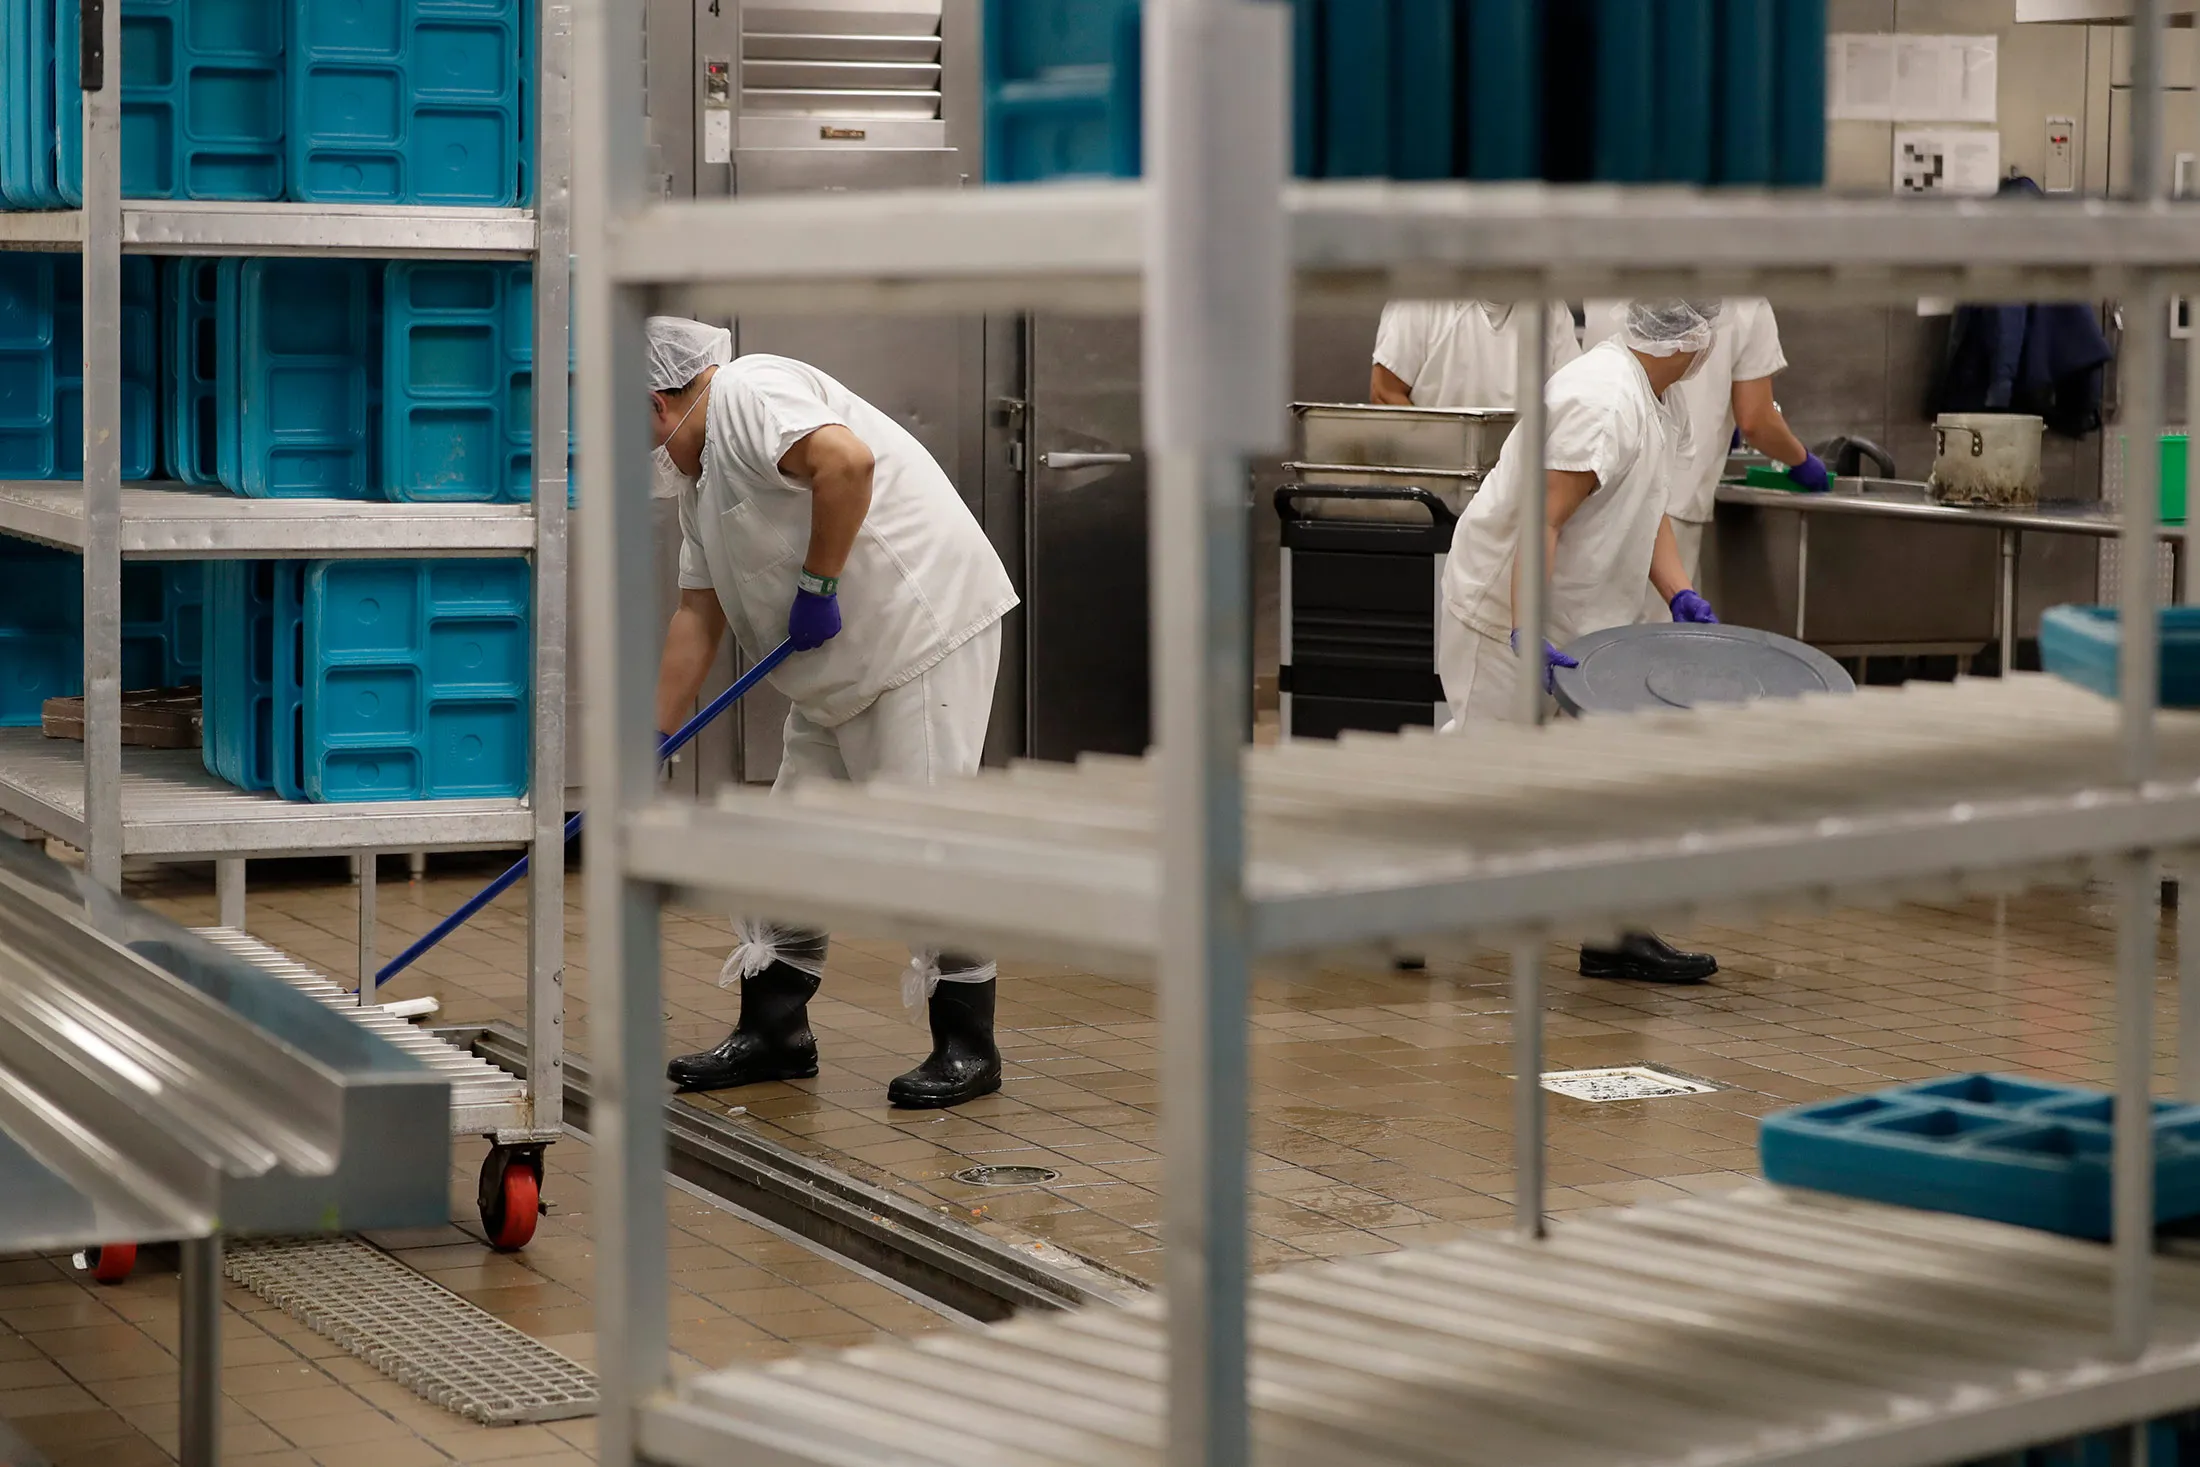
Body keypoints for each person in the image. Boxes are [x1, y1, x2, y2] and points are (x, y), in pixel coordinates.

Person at [645, 317, 1020, 1108]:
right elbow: (696, 615)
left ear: (656, 403)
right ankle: (777, 1031)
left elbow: (845, 461)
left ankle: (968, 1044)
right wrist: (650, 734)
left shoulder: (748, 392)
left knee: (927, 841)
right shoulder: (700, 480)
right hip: (830, 666)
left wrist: (818, 584)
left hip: (919, 631)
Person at [1436, 300, 1724, 986]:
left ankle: (1612, 929)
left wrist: (1678, 589)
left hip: (1581, 625)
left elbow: (1646, 499)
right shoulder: (1600, 398)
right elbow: (1545, 515)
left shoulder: (1656, 397)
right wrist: (1527, 626)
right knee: (1483, 769)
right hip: (1507, 613)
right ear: (1691, 335)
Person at [1583, 297, 1826, 615]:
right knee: (1650, 645)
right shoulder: (1746, 302)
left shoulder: (1609, 271)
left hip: (1595, 491)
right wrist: (1802, 461)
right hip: (1675, 495)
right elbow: (1755, 420)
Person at [1371, 300, 1583, 409]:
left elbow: (1572, 401)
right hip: (1433, 478)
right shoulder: (1423, 296)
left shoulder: (1550, 310)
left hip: (1520, 476)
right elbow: (1385, 392)